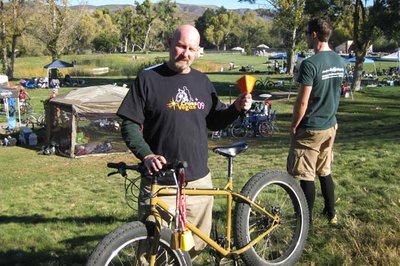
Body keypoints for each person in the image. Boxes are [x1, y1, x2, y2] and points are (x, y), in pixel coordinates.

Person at [117, 24, 252, 257]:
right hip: (161, 182)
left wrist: (236, 109)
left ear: (198, 51)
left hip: (199, 181)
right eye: (181, 46)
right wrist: (146, 154)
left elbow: (214, 120)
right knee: (154, 251)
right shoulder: (148, 78)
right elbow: (128, 124)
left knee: (194, 249)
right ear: (170, 43)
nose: (185, 53)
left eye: (191, 48)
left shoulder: (202, 82)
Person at [287, 17, 346, 226]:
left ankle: (306, 221)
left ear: (314, 35)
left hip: (311, 128)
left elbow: (302, 102)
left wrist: (294, 124)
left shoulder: (310, 64)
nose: (306, 38)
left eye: (306, 34)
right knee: (325, 170)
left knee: (306, 175)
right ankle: (331, 214)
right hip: (330, 125)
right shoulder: (340, 61)